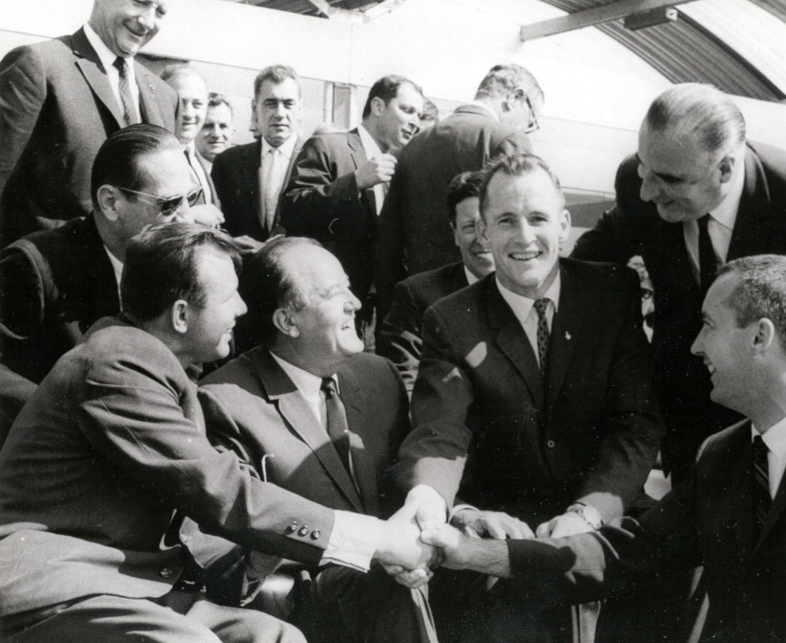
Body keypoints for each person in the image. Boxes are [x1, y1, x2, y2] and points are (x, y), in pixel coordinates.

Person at [0, 222, 435, 642]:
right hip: (58, 586)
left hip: (133, 587)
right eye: (229, 297)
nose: (243, 310)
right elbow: (219, 488)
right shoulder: (117, 367)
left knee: (274, 635)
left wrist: (260, 554)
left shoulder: (151, 368)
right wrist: (376, 540)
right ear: (182, 314)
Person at [423, 254, 786, 643]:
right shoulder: (721, 456)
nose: (695, 345)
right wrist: (473, 554)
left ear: (760, 337)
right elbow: (625, 552)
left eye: (708, 325)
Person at [392, 154, 663, 641]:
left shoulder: (612, 293)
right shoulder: (450, 319)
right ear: (483, 233)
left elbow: (636, 422)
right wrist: (445, 506)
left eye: (537, 218)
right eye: (505, 221)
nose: (523, 237)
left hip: (606, 519)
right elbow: (440, 430)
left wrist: (588, 512)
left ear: (563, 225)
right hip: (504, 540)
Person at [572, 82, 786, 482]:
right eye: (643, 169)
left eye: (668, 179)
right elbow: (593, 261)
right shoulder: (640, 187)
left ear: (725, 168)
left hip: (782, 427)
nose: (647, 190)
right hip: (687, 424)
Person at [194, 237, 435, 643]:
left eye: (349, 286)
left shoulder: (379, 376)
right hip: (305, 602)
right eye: (333, 294)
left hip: (403, 577)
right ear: (288, 321)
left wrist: (453, 519)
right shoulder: (223, 401)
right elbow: (224, 560)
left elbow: (404, 485)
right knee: (386, 582)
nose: (356, 303)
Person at [0, 124, 196, 387]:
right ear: (111, 203)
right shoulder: (33, 267)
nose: (187, 218)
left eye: (192, 198)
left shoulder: (176, 259)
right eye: (169, 204)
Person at [0, 0, 178, 247]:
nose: (148, 22)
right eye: (140, 2)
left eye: (161, 11)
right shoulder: (39, 66)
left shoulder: (165, 95)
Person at [374, 64, 542, 321]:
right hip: (483, 313)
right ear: (515, 98)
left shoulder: (414, 145)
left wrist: (391, 313)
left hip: (420, 308)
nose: (526, 129)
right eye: (531, 121)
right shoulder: (507, 140)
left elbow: (388, 238)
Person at [282, 74, 424, 343]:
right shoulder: (328, 146)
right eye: (406, 110)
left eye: (418, 114)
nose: (414, 122)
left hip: (379, 315)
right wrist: (355, 182)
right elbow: (293, 208)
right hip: (330, 310)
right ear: (378, 107)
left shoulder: (401, 168)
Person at [376, 171, 493, 394]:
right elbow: (404, 384)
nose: (481, 238)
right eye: (469, 227)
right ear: (455, 233)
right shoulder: (417, 296)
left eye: (489, 225)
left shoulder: (532, 290)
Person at [211, 65, 304, 247]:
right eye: (271, 103)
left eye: (288, 104)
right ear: (255, 108)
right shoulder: (228, 162)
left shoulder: (318, 161)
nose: (280, 113)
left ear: (300, 109)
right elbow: (215, 225)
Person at [161, 65, 224, 229]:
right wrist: (191, 214)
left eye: (197, 104)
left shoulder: (194, 155)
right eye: (180, 102)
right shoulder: (152, 156)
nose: (188, 113)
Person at [196, 92, 235, 170]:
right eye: (208, 126)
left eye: (223, 126)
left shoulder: (245, 169)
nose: (216, 134)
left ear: (233, 131)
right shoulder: (182, 170)